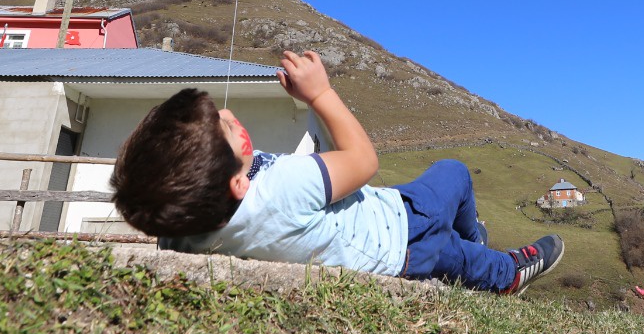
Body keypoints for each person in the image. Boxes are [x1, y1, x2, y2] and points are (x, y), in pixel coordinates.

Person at [110, 49, 564, 295]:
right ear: (237, 183)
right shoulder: (282, 189)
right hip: (402, 228)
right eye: (226, 127)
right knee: (454, 176)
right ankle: (505, 270)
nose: (229, 114)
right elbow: (362, 160)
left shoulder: (186, 232)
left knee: (451, 255)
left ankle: (478, 251)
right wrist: (319, 95)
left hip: (387, 255)